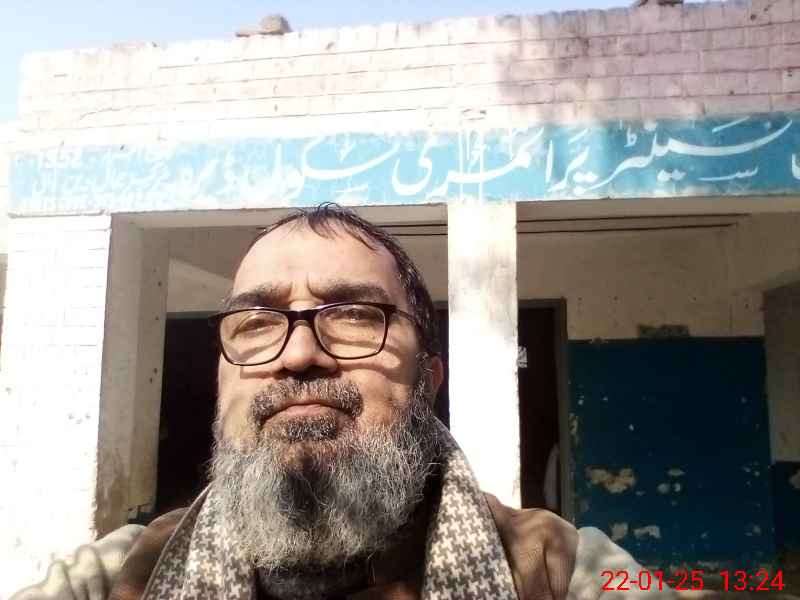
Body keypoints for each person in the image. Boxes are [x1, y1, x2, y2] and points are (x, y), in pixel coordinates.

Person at [13, 204, 672, 600]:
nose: (299, 354)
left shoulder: (556, 570)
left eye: (355, 315)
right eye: (257, 322)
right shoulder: (118, 576)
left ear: (428, 381)